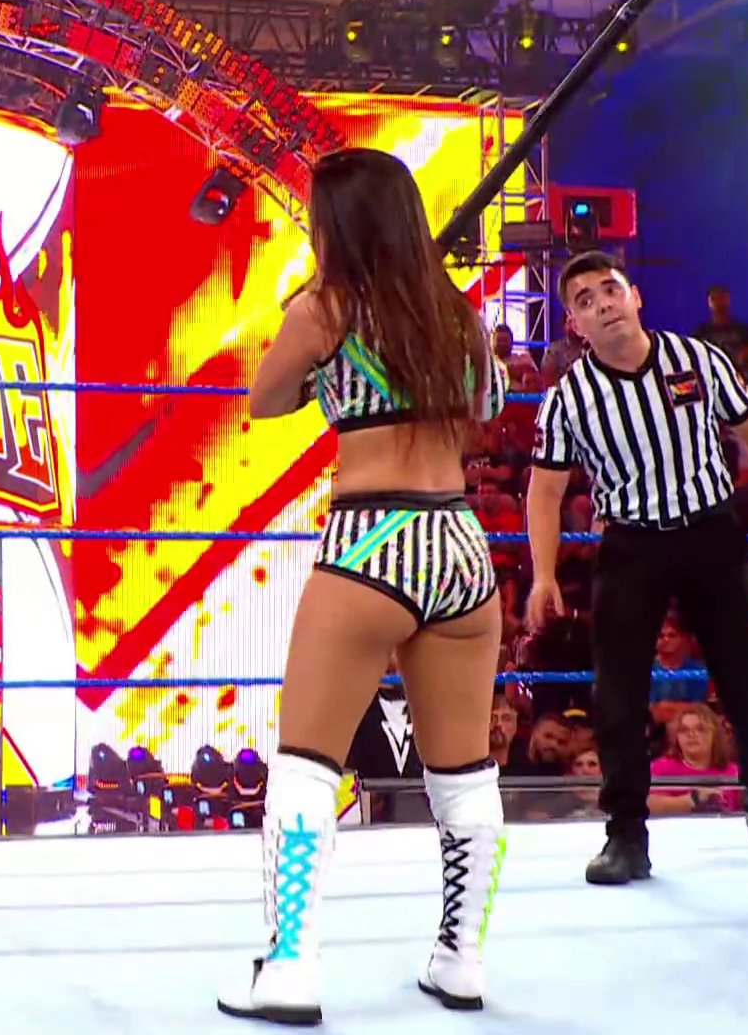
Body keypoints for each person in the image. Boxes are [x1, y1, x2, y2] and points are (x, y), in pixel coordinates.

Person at [217, 147, 509, 1025]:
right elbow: (489, 407)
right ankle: (461, 961)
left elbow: (265, 399)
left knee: (307, 764)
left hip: (371, 540)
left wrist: (317, 347)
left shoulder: (326, 307)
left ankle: (290, 968)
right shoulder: (458, 315)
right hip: (459, 544)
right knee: (464, 774)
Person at [526, 250, 748, 886]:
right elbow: (545, 490)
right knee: (617, 697)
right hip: (631, 544)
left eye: (610, 290)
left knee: (745, 682)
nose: (603, 304)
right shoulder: (569, 398)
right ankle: (626, 836)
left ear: (635, 297)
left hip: (711, 531)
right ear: (574, 325)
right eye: (585, 300)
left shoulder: (697, 359)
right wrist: (544, 573)